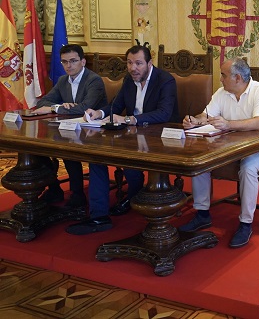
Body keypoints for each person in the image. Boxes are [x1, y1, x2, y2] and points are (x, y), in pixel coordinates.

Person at [66, 45, 179, 235]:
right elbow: (115, 106)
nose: (133, 68)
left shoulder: (165, 80)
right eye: (129, 63)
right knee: (97, 157)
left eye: (138, 63)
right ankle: (99, 216)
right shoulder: (129, 79)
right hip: (131, 135)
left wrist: (129, 119)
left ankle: (135, 194)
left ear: (149, 63)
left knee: (128, 157)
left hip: (160, 136)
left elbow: (164, 113)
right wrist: (99, 113)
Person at [180, 57, 259, 248]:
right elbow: (206, 115)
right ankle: (202, 214)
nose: (221, 79)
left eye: (224, 75)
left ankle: (245, 223)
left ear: (238, 78)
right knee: (199, 160)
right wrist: (195, 120)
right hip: (231, 145)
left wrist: (228, 124)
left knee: (248, 167)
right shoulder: (222, 93)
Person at [32, 44, 108, 207]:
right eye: (64, 62)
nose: (68, 65)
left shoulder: (94, 80)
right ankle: (54, 188)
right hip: (70, 128)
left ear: (83, 61)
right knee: (39, 148)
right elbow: (42, 103)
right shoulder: (62, 80)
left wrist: (58, 108)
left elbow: (84, 108)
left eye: (73, 61)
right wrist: (57, 106)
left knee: (67, 149)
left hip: (94, 131)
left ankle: (77, 194)